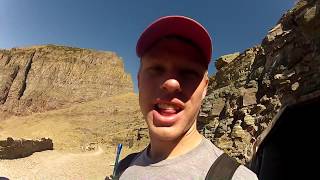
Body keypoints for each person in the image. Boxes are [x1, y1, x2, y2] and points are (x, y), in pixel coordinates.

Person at [117, 15, 258, 179]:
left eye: (188, 72)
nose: (171, 83)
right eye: (156, 68)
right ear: (139, 80)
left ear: (205, 88)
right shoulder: (124, 167)